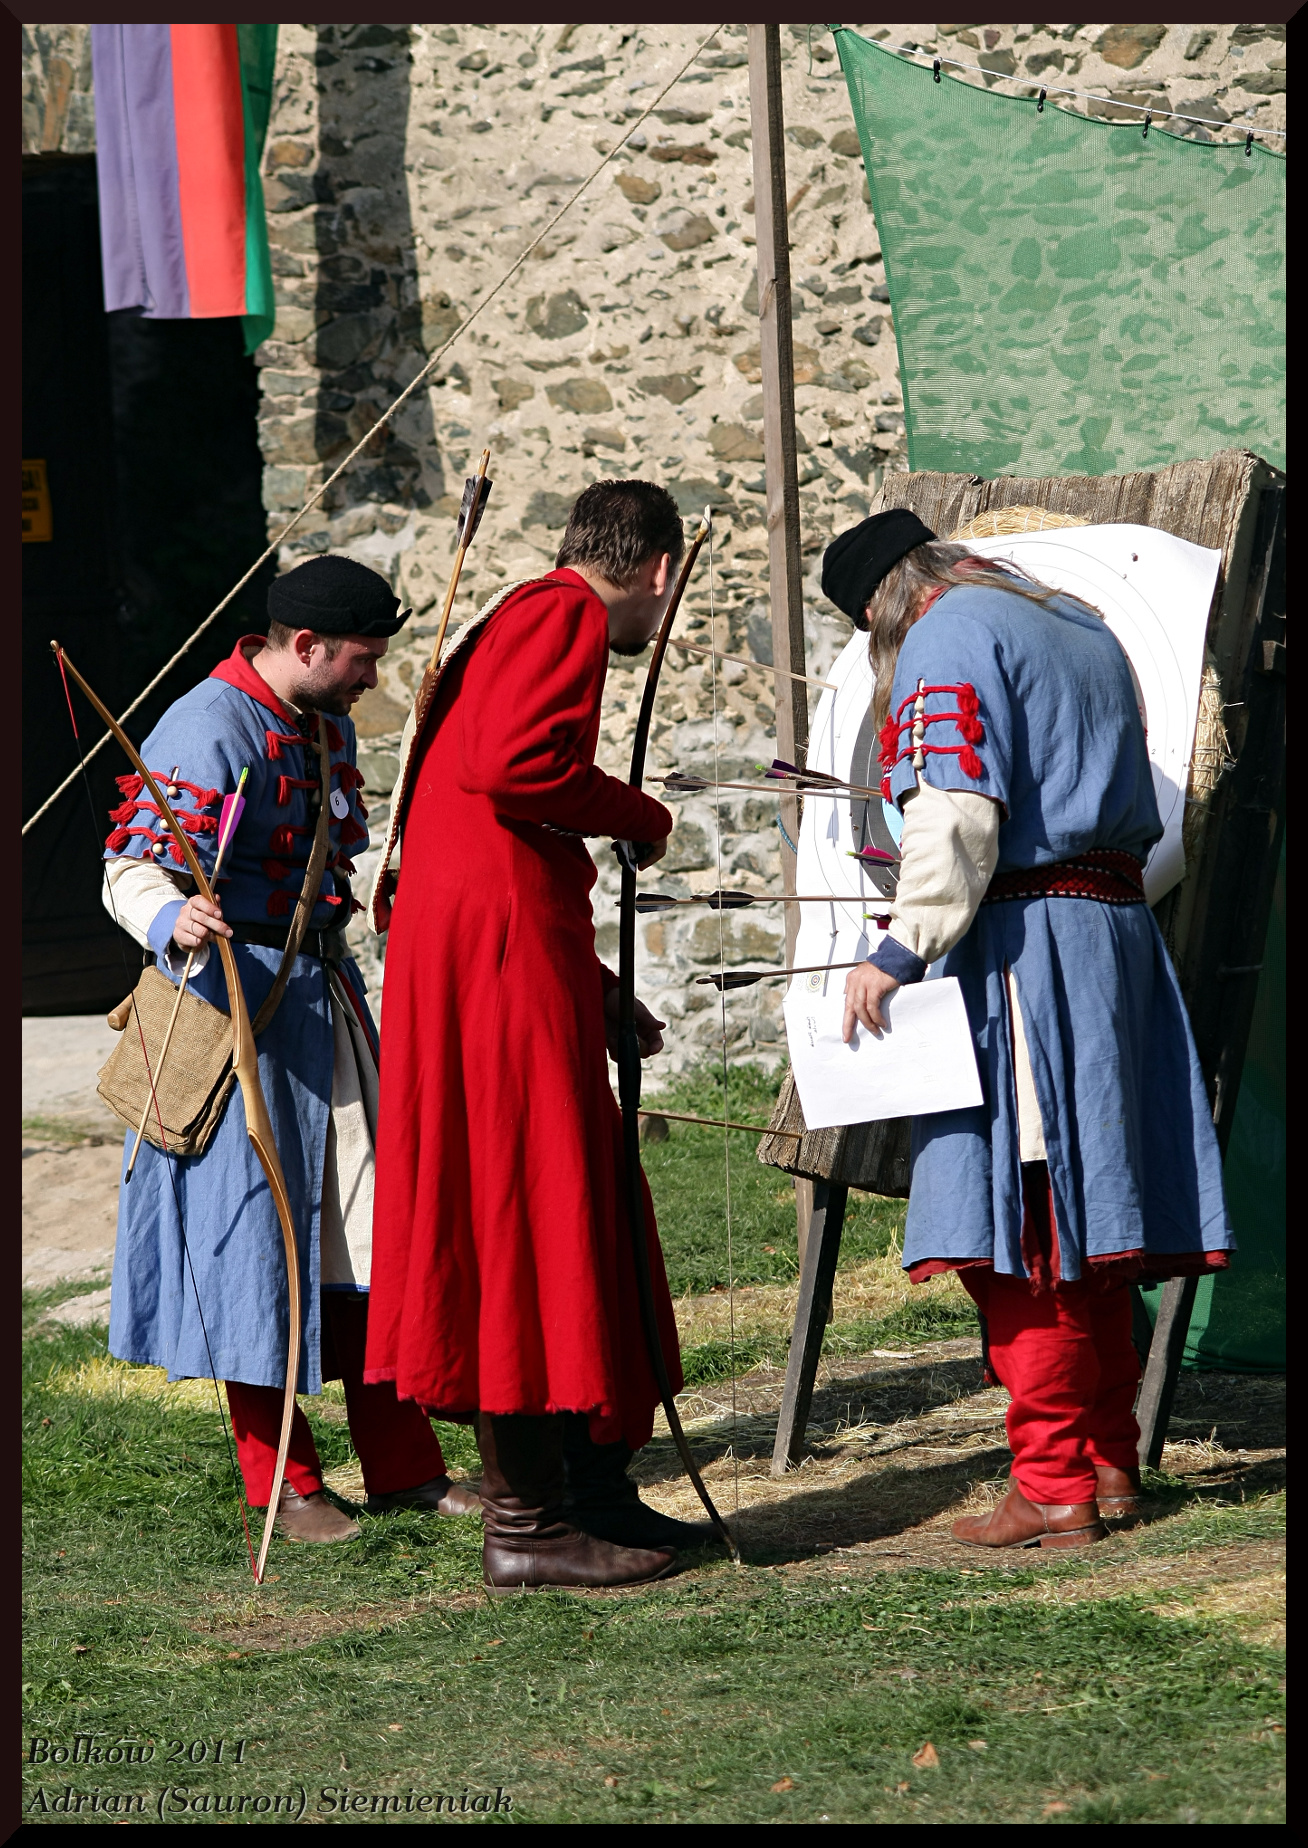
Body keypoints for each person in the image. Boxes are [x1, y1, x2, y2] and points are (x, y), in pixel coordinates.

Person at [824, 509, 1233, 1549]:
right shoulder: (1079, 620)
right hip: (1112, 942)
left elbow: (956, 811)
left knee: (1029, 1229)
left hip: (1026, 954)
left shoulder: (947, 634)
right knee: (1087, 1226)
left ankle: (1052, 1482)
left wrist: (899, 949)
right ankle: (1108, 1464)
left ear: (883, 607)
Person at [367, 479, 713, 1590]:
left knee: (572, 1201)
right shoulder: (562, 611)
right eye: (668, 593)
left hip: (499, 951)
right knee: (523, 1210)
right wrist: (638, 815)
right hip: (493, 965)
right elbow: (513, 767)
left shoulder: (522, 617)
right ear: (658, 569)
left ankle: (588, 1491)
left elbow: (494, 826)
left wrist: (590, 983)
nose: (659, 615)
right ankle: (526, 1524)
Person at [103, 555, 479, 1547]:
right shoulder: (206, 725)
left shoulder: (324, 720)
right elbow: (129, 867)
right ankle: (285, 1485)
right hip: (232, 1014)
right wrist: (171, 916)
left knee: (367, 1239)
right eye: (362, 659)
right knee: (251, 1249)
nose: (372, 678)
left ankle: (405, 1468)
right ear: (306, 645)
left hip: (324, 1005)